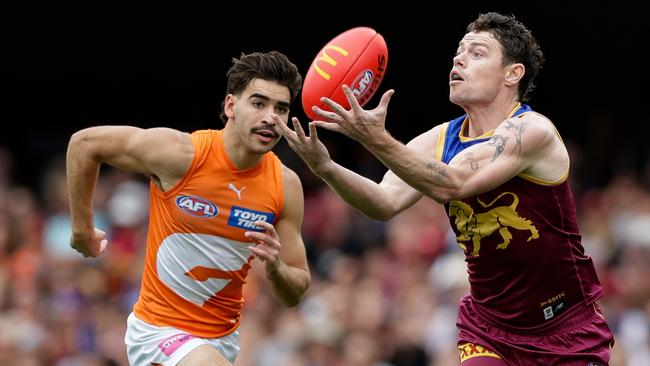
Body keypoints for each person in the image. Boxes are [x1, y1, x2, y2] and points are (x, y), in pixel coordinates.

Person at [278, 12, 614, 366]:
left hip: (565, 330)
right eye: (459, 51)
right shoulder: (440, 139)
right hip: (490, 329)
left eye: (478, 53)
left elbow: (453, 183)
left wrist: (376, 140)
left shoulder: (532, 131)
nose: (459, 58)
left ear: (512, 74)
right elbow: (383, 202)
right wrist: (326, 167)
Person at [66, 51, 311, 366]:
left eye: (281, 108)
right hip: (158, 332)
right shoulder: (182, 155)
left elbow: (295, 293)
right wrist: (81, 230)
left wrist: (276, 269)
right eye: (258, 103)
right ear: (230, 106)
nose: (270, 117)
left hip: (222, 340)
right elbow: (85, 144)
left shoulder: (285, 185)